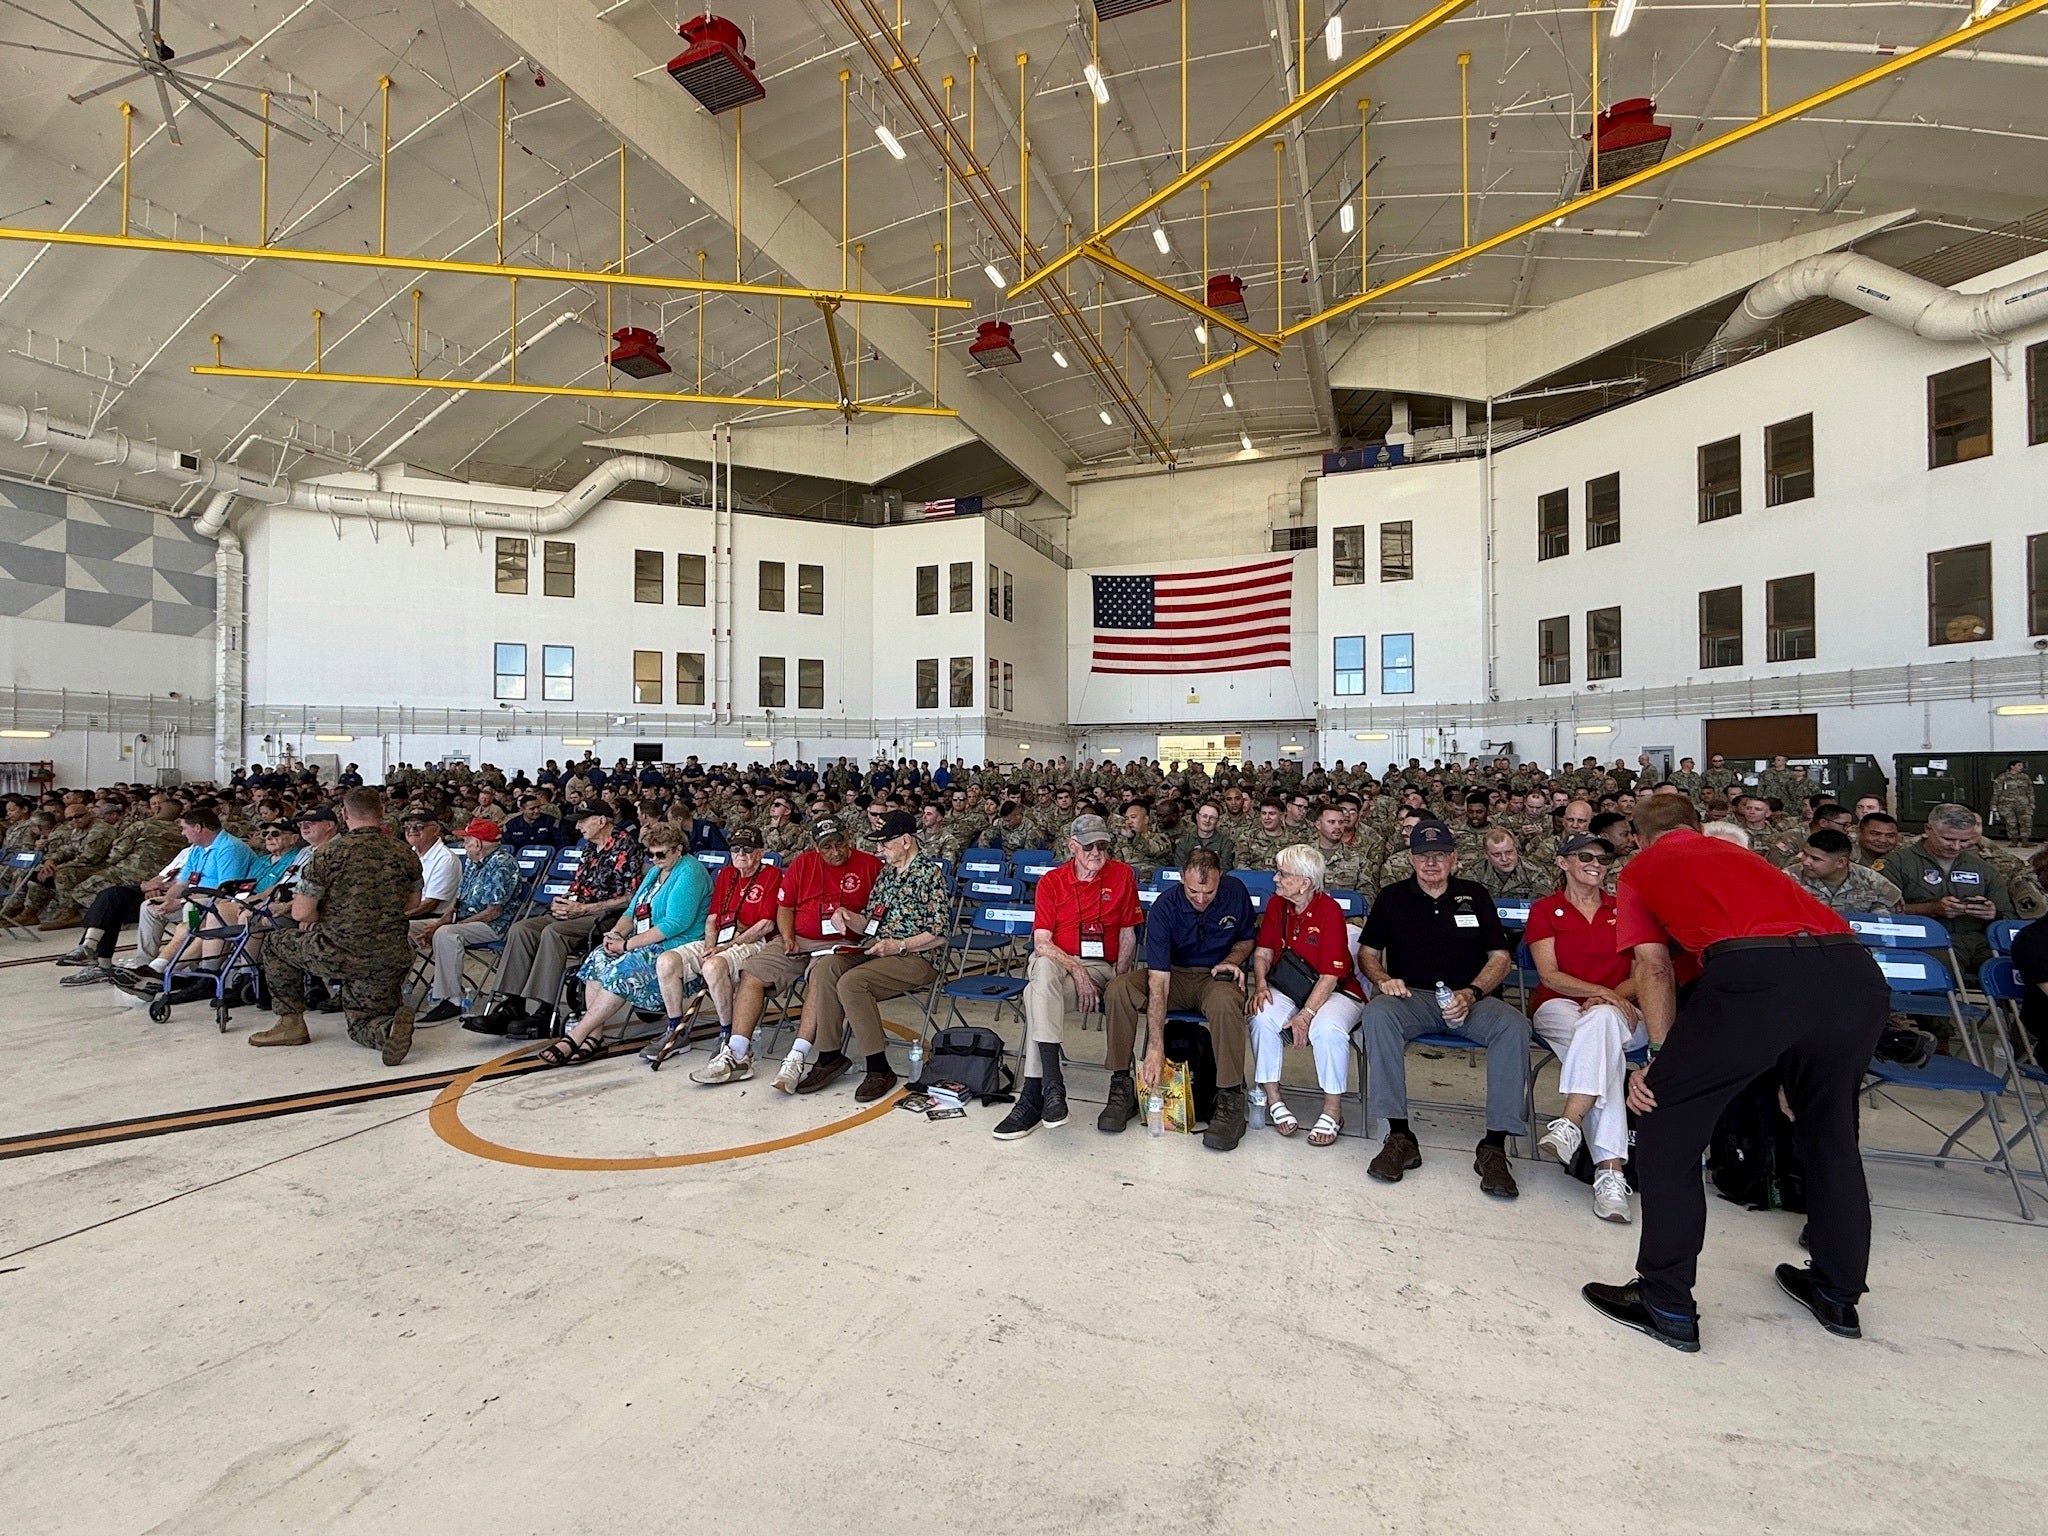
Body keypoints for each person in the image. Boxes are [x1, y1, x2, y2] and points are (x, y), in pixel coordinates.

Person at [1582, 794, 1889, 1353]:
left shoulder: (1644, 867)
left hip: (1757, 977)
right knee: (1832, 1135)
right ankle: (1837, 1291)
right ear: (1697, 827)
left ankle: (1666, 1299)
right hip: (1852, 973)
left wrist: (1660, 1058)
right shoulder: (1746, 858)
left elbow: (1652, 965)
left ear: (1638, 838)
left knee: (1664, 1120)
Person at [1355, 819, 1530, 1198]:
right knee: (1377, 1014)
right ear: (1411, 859)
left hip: (1472, 999)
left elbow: (1500, 958)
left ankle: (1494, 1146)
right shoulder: (1392, 897)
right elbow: (1367, 954)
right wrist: (1384, 979)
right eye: (1422, 855)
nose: (1430, 863)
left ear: (1453, 858)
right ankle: (1399, 1135)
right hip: (1412, 998)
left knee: (1514, 1026)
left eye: (1438, 855)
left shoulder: (1476, 895)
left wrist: (1472, 992)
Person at [691, 816, 882, 1085]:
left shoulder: (870, 865)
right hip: (797, 938)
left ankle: (796, 1056)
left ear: (849, 837)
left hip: (841, 945)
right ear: (816, 846)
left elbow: (878, 915)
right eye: (826, 847)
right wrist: (788, 936)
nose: (835, 852)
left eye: (839, 843)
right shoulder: (803, 863)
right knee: (753, 971)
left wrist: (856, 923)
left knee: (820, 979)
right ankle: (737, 1054)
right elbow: (785, 907)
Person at [776, 811, 950, 1102]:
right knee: (828, 967)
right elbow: (872, 922)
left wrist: (899, 946)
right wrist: (848, 917)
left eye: (885, 844)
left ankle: (879, 1068)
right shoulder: (887, 874)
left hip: (917, 958)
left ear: (906, 841)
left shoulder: (929, 875)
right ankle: (830, 1055)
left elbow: (939, 933)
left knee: (852, 983)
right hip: (878, 951)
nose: (879, 850)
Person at [994, 814, 1143, 1141]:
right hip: (1061, 965)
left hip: (1100, 968)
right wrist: (1075, 968)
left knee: (1035, 994)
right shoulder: (1052, 882)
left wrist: (1119, 979)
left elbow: (1129, 935)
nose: (1097, 853)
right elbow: (1042, 942)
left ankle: (1036, 1094)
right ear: (1072, 846)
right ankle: (1052, 1085)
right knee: (1043, 971)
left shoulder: (1122, 876)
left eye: (1103, 845)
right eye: (1089, 846)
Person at [1098, 847, 1255, 1151]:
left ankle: (1230, 1097)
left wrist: (1234, 960)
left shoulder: (1235, 892)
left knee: (1225, 1003)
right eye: (1193, 890)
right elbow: (1158, 981)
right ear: (1182, 878)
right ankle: (1121, 1083)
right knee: (1118, 989)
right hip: (1173, 975)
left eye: (1208, 892)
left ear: (1219, 878)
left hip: (1214, 976)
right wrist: (1155, 1047)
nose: (1200, 898)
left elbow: (1247, 937)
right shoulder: (1165, 907)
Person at [253, 789, 425, 1064]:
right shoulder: (405, 854)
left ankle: (291, 1024)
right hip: (390, 954)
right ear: (381, 814)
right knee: (362, 1022)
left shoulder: (327, 854)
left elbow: (301, 913)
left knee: (275, 944)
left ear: (344, 815)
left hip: (338, 952)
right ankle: (387, 1029)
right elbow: (412, 904)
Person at [1524, 834, 1645, 1223]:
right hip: (1558, 1005)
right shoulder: (1546, 909)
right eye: (1586, 856)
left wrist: (1608, 998)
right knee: (1604, 1049)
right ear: (1563, 863)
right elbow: (1550, 974)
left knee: (1601, 1024)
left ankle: (1570, 1123)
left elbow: (1642, 972)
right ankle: (1610, 1174)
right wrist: (1600, 993)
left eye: (1604, 859)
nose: (1597, 864)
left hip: (1621, 1009)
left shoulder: (1623, 908)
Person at [539, 822, 711, 1064]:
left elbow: (675, 923)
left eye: (660, 853)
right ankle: (595, 1037)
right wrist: (616, 935)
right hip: (644, 940)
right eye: (650, 854)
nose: (654, 858)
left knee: (624, 969)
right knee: (598, 957)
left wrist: (627, 946)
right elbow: (631, 911)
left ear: (678, 850)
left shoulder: (690, 872)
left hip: (677, 944)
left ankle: (576, 1036)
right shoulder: (655, 872)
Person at [469, 804, 644, 1038]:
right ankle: (512, 1003)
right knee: (521, 929)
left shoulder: (626, 846)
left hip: (607, 916)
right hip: (578, 910)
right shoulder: (590, 848)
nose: (578, 826)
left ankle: (545, 1009)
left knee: (553, 932)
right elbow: (578, 886)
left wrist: (585, 908)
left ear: (601, 820)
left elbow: (631, 897)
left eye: (583, 820)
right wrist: (563, 902)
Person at [1248, 844, 1367, 1148]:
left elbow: (1331, 975)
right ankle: (1273, 1098)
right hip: (1290, 986)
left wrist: (1305, 1015)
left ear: (1304, 882)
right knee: (1262, 1016)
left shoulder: (1329, 911)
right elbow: (1263, 951)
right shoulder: (1278, 906)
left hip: (1336, 990)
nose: (1275, 879)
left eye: (1282, 874)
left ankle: (1332, 1109)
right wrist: (1260, 985)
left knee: (1326, 1028)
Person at [657, 826, 780, 1074]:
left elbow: (765, 925)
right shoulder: (725, 874)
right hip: (719, 938)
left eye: (748, 849)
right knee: (667, 961)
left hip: (751, 942)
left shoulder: (773, 875)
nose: (741, 854)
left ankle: (727, 1032)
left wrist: (728, 946)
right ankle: (675, 1029)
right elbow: (713, 918)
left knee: (713, 966)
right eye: (735, 849)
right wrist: (711, 945)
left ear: (760, 852)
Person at [1882, 803, 2011, 980]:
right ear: (1928, 829)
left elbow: (2009, 916)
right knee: (1940, 971)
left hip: (1980, 941)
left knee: (2018, 967)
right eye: (1948, 839)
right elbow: (1880, 912)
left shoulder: (1982, 868)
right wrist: (1931, 909)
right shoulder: (1897, 863)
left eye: (1964, 841)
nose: (1956, 847)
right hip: (1926, 941)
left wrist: (1992, 913)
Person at [415, 820, 523, 1023]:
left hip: (492, 925)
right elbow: (456, 902)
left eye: (466, 841)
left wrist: (449, 926)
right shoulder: (473, 862)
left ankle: (452, 1000)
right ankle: (389, 989)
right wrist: (438, 923)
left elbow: (493, 911)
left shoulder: (502, 863)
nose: (464, 846)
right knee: (405, 929)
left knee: (446, 935)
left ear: (478, 844)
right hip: (462, 920)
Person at [1789, 830, 1902, 913]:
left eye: (1816, 859)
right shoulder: (1788, 879)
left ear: (1841, 862)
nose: (1805, 862)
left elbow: (1892, 922)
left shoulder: (1873, 882)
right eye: (1805, 854)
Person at [1992, 760, 2035, 843]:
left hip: (2023, 803)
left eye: (2021, 765)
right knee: (2011, 823)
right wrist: (1994, 804)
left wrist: (2032, 803)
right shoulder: (2003, 777)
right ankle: (2013, 840)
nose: (2021, 767)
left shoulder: (2024, 777)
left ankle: (2025, 840)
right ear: (2012, 766)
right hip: (2007, 803)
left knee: (2026, 821)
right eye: (2019, 765)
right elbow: (1996, 792)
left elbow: (2030, 791)